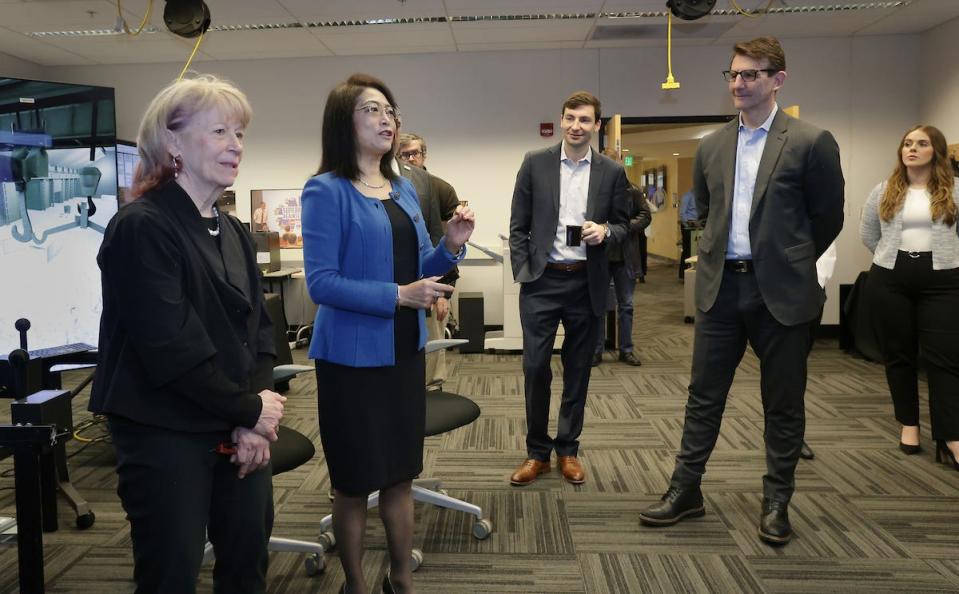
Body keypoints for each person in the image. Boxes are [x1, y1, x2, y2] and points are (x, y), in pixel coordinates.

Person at [638, 37, 845, 545]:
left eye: (751, 74)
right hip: (721, 290)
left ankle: (776, 502)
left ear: (778, 79)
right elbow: (706, 213)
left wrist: (785, 258)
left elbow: (828, 217)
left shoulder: (811, 141)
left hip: (782, 292)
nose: (738, 83)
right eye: (733, 74)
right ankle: (686, 490)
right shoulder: (712, 145)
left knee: (783, 402)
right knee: (703, 397)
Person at [89, 75, 286, 593]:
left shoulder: (234, 229)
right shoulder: (141, 227)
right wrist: (250, 412)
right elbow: (172, 349)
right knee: (170, 574)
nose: (235, 144)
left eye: (240, 133)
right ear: (173, 143)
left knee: (247, 564)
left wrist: (255, 415)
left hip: (237, 425)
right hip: (166, 432)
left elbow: (259, 332)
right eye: (220, 130)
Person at [301, 73, 474, 594]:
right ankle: (355, 584)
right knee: (353, 484)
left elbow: (422, 262)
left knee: (400, 475)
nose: (387, 120)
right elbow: (321, 283)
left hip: (402, 351)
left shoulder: (401, 188)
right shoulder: (324, 190)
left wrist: (451, 245)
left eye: (391, 111)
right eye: (372, 110)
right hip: (350, 361)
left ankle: (400, 580)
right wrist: (398, 296)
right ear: (343, 123)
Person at [507, 91, 629, 487]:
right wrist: (524, 270)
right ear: (561, 120)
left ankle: (568, 450)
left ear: (597, 125)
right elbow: (518, 226)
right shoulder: (535, 163)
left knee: (578, 370)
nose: (577, 126)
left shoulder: (611, 171)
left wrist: (608, 231)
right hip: (542, 282)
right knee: (535, 367)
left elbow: (628, 223)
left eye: (586, 120)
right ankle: (536, 452)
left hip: (586, 282)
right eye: (570, 118)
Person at [860, 124, 959, 471]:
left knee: (945, 359)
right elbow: (869, 234)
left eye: (921, 143)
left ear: (937, 151)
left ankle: (950, 437)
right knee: (899, 355)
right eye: (907, 143)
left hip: (944, 282)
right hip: (891, 279)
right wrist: (894, 260)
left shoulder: (956, 190)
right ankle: (910, 425)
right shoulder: (884, 189)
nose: (911, 149)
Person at [397, 132, 461, 386]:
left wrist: (443, 292)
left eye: (416, 153)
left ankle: (433, 390)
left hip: (434, 276)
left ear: (424, 155)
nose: (412, 159)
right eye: (405, 155)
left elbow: (442, 239)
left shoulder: (440, 189)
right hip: (400, 283)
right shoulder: (391, 188)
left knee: (433, 345)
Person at [593, 182, 651, 367]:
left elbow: (645, 216)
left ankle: (626, 350)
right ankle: (596, 350)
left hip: (626, 258)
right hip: (601, 257)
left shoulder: (633, 192)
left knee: (626, 306)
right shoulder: (597, 189)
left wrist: (625, 227)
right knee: (598, 306)